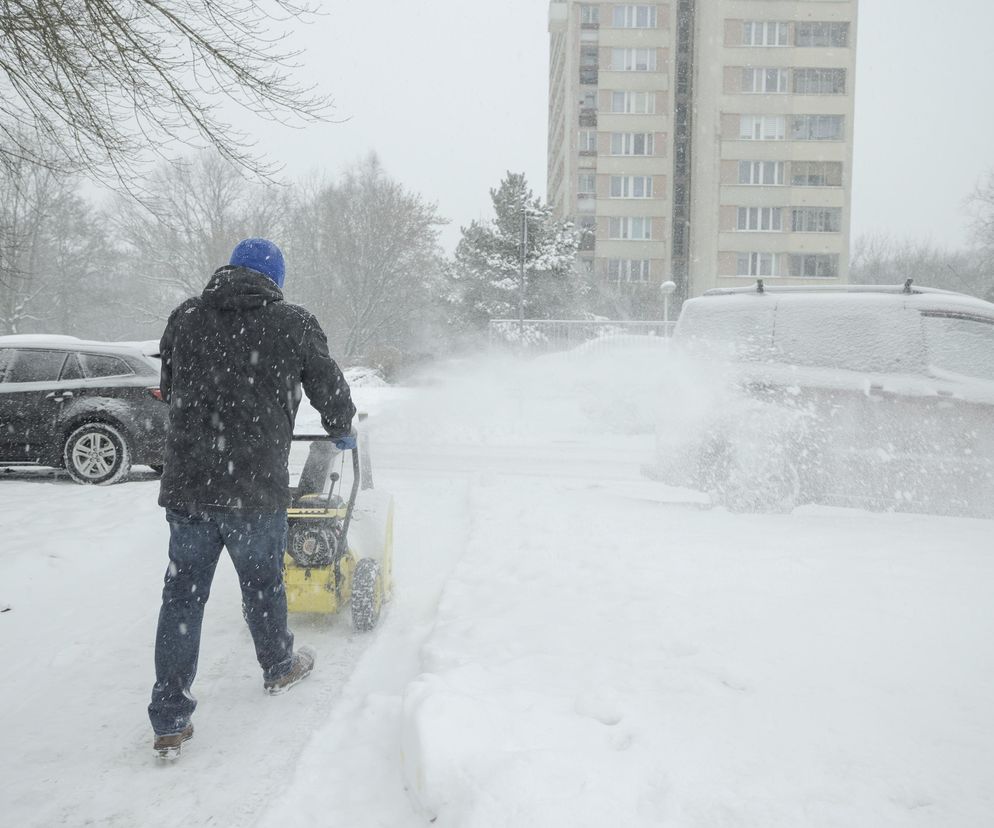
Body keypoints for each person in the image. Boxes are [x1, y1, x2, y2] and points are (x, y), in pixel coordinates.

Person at [148, 238, 356, 760]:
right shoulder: (293, 322)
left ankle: (170, 715)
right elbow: (327, 386)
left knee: (182, 598)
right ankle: (278, 665)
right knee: (262, 583)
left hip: (190, 486)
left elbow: (169, 385)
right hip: (253, 488)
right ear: (274, 279)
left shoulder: (186, 317)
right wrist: (342, 428)